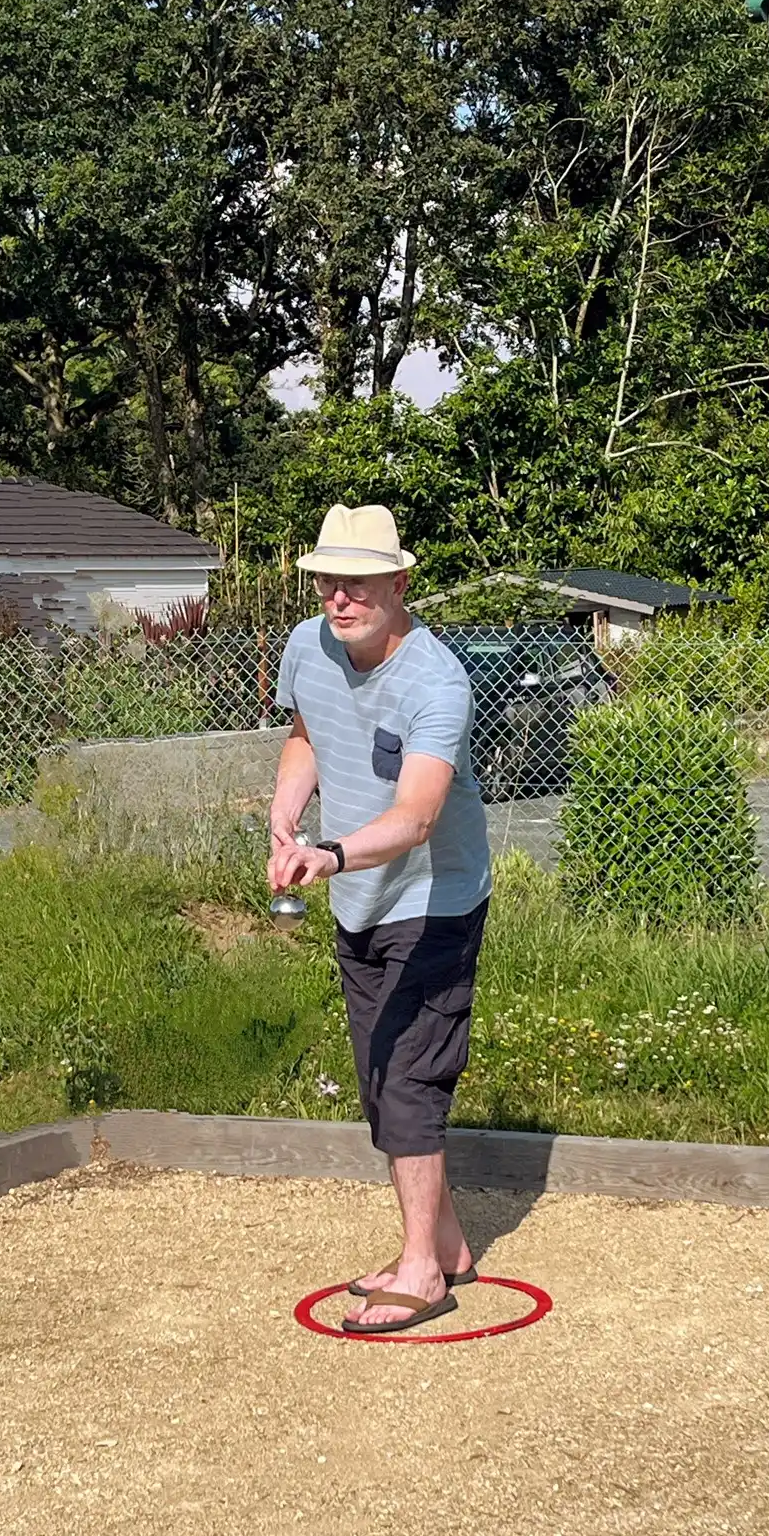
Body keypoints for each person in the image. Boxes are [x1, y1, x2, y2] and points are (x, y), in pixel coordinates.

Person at [268, 503, 492, 1333]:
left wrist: (326, 854)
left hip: (433, 898)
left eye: (357, 581)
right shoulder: (307, 645)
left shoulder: (438, 681)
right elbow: (307, 737)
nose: (338, 596)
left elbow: (418, 819)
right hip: (358, 896)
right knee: (375, 1076)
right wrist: (286, 817)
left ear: (400, 583)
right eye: (328, 580)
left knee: (408, 1076)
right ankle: (448, 1245)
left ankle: (422, 1274)